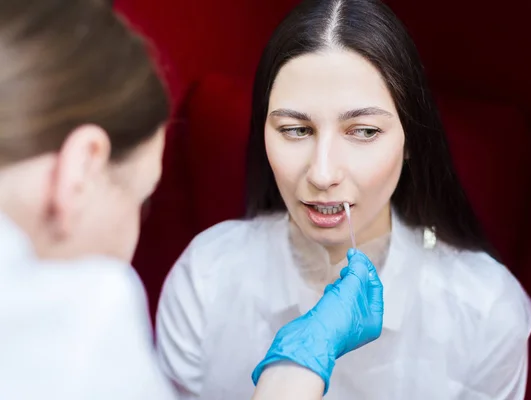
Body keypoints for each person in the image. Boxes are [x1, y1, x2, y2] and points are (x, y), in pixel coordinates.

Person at [0, 1, 384, 399]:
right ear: (80, 170)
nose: (322, 174)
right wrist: (297, 368)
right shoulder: (88, 312)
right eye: (141, 199)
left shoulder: (452, 294)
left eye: (365, 131)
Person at [155, 0, 531, 399]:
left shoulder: (486, 310)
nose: (322, 174)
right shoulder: (207, 277)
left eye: (365, 131)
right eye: (295, 130)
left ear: (411, 141)